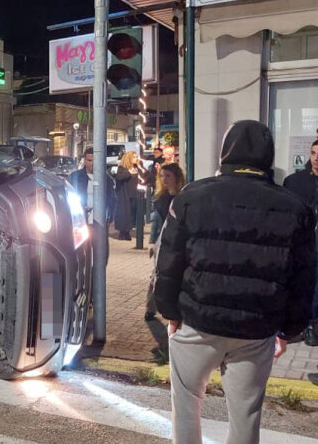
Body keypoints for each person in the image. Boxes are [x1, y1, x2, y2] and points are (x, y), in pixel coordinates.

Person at [155, 121, 316, 443]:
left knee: (186, 404)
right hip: (257, 328)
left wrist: (169, 310)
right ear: (267, 156)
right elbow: (303, 276)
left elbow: (169, 261)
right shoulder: (294, 207)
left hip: (198, 322)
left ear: (225, 153)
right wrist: (290, 329)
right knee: (246, 414)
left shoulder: (192, 196)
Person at [283, 139, 318, 348]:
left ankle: (311, 326)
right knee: (299, 285)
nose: (316, 157)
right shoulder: (295, 181)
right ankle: (298, 326)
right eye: (313, 153)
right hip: (300, 245)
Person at [144, 163, 184, 321]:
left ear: (176, 177)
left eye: (168, 176)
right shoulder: (161, 197)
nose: (164, 179)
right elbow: (156, 222)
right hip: (163, 238)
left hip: (178, 238)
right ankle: (150, 308)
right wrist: (152, 242)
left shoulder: (183, 196)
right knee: (157, 273)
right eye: (162, 176)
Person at [114, 151, 139, 241]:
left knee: (131, 213)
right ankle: (123, 232)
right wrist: (129, 172)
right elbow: (119, 178)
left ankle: (128, 230)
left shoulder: (136, 168)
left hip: (134, 193)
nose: (136, 158)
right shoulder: (122, 168)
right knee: (124, 214)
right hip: (124, 194)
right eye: (134, 157)